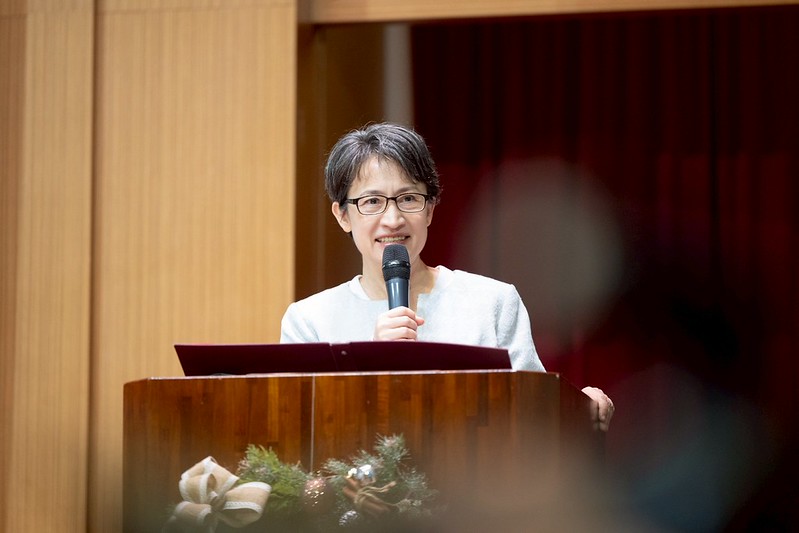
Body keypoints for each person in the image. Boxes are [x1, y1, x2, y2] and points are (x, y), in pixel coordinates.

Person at [281, 122, 614, 431]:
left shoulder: (492, 303)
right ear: (343, 215)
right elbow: (299, 433)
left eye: (408, 198)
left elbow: (534, 415)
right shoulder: (309, 321)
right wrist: (369, 365)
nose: (393, 219)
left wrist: (576, 406)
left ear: (429, 209)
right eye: (372, 202)